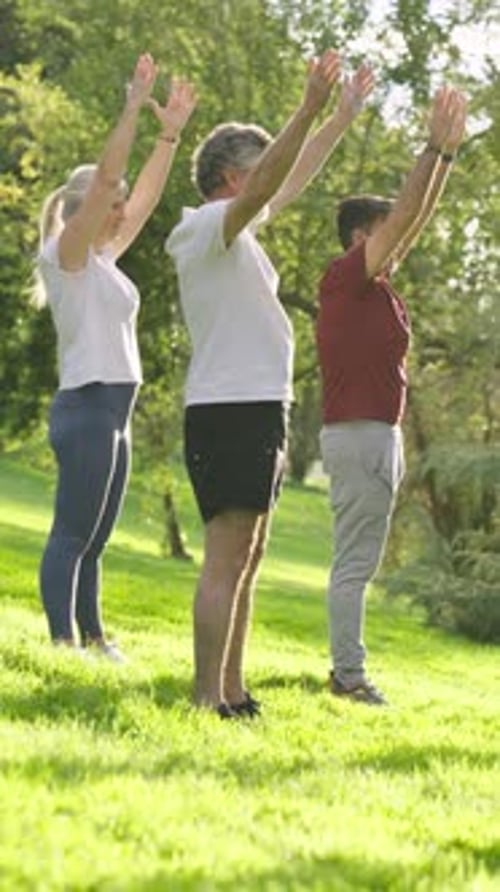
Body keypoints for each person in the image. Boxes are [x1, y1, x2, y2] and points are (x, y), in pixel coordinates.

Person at [166, 50, 375, 717]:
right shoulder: (204, 227)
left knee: (248, 555)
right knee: (227, 554)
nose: (270, 179)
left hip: (257, 405)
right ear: (230, 175)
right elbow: (267, 188)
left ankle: (232, 690)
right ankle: (206, 699)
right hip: (229, 409)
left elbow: (286, 179)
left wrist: (338, 118)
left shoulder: (238, 229)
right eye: (259, 167)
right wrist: (308, 105)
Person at [36, 54, 196, 659]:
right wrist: (133, 108)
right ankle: (61, 642)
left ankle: (96, 637)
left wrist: (170, 135)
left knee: (96, 536)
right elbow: (108, 181)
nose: (124, 208)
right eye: (114, 201)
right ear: (86, 209)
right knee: (73, 530)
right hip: (87, 407)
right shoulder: (66, 254)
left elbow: (146, 198)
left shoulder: (101, 259)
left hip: (116, 411)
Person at [316, 86, 467, 704]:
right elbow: (404, 218)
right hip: (359, 436)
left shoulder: (377, 289)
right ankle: (349, 677)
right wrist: (429, 144)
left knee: (358, 561)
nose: (396, 241)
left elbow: (414, 219)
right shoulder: (345, 277)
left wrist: (446, 160)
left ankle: (346, 671)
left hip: (376, 435)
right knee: (355, 565)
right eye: (383, 233)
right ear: (359, 238)